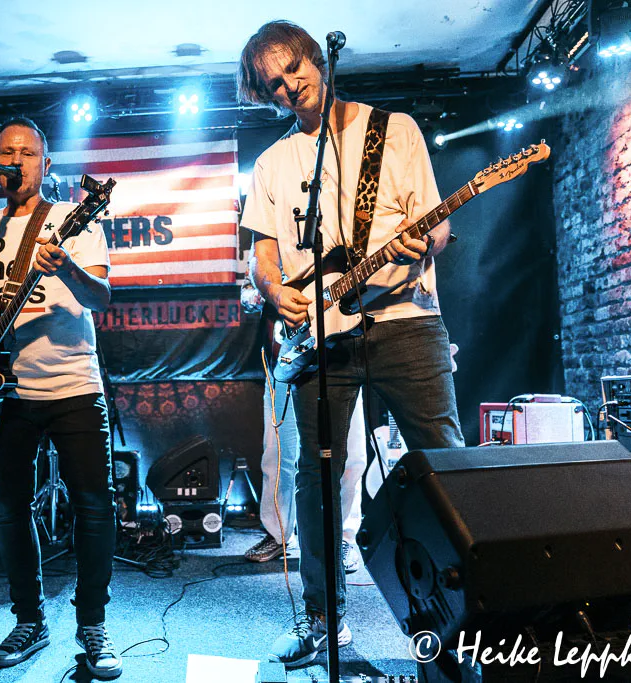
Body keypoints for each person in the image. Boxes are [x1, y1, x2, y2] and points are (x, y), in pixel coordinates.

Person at [237, 20, 464, 669]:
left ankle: (469, 619)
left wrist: (426, 241)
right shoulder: (273, 163)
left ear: (317, 58)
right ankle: (321, 619)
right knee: (316, 477)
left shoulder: (394, 132)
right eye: (274, 84)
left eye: (294, 68)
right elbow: (263, 254)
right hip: (320, 335)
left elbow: (439, 226)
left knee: (443, 464)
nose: (290, 86)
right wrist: (275, 290)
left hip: (406, 319)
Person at [0, 116, 121, 679]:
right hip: (5, 391)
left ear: (45, 163)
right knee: (9, 508)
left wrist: (65, 265)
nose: (14, 160)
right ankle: (29, 620)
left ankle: (93, 623)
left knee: (94, 507)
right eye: (5, 152)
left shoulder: (73, 220)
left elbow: (101, 297)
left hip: (74, 385)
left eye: (25, 152)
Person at [241, 274, 367, 573]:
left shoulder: (340, 245)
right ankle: (278, 534)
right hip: (288, 355)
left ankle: (343, 537)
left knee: (351, 455)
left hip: (340, 354)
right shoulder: (271, 253)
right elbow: (247, 295)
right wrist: (263, 294)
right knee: (278, 455)